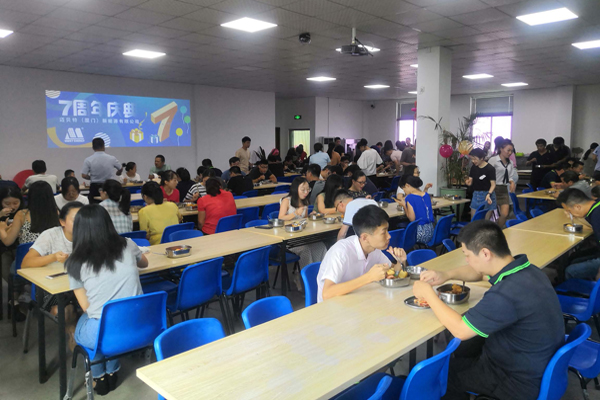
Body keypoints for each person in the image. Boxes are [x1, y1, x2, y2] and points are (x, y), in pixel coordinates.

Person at [413, 220, 564, 400]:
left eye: (467, 255)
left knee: (444, 375)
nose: (467, 261)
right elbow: (479, 273)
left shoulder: (506, 293)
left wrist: (428, 294)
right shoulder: (529, 270)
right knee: (463, 348)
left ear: (485, 253)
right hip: (534, 363)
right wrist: (446, 275)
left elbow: (460, 330)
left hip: (515, 381)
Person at [66, 205, 148, 395]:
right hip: (140, 324)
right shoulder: (127, 244)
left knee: (90, 321)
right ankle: (112, 370)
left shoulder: (75, 262)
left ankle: (99, 377)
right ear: (108, 224)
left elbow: (86, 307)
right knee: (109, 318)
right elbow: (145, 263)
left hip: (106, 331)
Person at [22, 201, 84, 343]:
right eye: (75, 220)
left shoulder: (90, 234)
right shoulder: (50, 235)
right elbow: (26, 263)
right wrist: (53, 257)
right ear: (62, 222)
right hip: (52, 289)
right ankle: (73, 334)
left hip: (81, 285)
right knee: (63, 312)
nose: (81, 224)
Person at [317, 205, 406, 302]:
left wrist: (400, 262)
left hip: (359, 301)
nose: (389, 236)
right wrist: (369, 277)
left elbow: (393, 273)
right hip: (334, 307)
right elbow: (327, 294)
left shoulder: (374, 249)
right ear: (365, 237)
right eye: (383, 232)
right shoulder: (341, 252)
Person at [0, 181, 60, 319]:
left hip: (26, 266)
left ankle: (17, 299)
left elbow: (8, 241)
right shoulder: (57, 214)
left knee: (10, 268)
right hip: (51, 264)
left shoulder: (22, 214)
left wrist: (1, 228)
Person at [278, 177, 328, 290]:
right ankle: (306, 280)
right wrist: (295, 213)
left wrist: (310, 216)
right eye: (303, 190)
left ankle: (321, 277)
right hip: (289, 238)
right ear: (295, 189)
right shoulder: (287, 201)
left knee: (320, 246)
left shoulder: (304, 202)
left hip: (302, 236)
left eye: (307, 190)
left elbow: (303, 220)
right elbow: (280, 218)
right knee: (305, 250)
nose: (306, 192)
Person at [557, 188, 600, 280]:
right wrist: (574, 215)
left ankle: (575, 288)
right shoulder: (596, 205)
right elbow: (590, 223)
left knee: (571, 270)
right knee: (574, 258)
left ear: (578, 207)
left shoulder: (597, 216)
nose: (568, 214)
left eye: (568, 211)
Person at [394, 176, 435, 244]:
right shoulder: (426, 195)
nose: (404, 191)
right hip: (431, 230)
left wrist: (404, 205)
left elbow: (412, 219)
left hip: (420, 233)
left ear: (407, 185)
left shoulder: (410, 198)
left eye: (404, 189)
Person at [82, 138, 122, 203]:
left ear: (93, 147)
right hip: (110, 186)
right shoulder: (111, 158)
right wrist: (118, 173)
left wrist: (92, 177)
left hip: (95, 187)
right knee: (110, 204)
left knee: (95, 206)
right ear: (104, 146)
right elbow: (120, 168)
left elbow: (84, 175)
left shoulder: (88, 160)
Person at [489, 140, 518, 228]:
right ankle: (486, 229)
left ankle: (498, 229)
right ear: (501, 149)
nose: (510, 153)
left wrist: (512, 182)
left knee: (505, 214)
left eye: (511, 151)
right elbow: (487, 174)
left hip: (504, 189)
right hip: (493, 188)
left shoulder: (510, 162)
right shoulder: (493, 160)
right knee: (489, 212)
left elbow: (510, 176)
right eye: (508, 150)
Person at [466, 148, 496, 220]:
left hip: (487, 195)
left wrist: (489, 194)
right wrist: (468, 182)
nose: (473, 161)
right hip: (476, 195)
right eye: (472, 159)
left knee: (485, 221)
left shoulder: (490, 168)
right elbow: (470, 181)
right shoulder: (473, 167)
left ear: (482, 158)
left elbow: (493, 184)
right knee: (474, 220)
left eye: (475, 159)